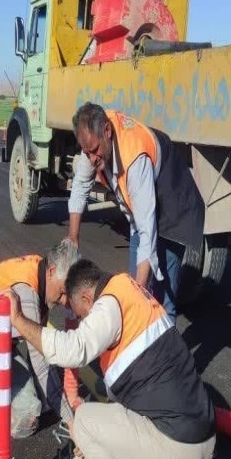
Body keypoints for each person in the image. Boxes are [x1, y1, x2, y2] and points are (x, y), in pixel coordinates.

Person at [3, 259, 215, 459]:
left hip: (181, 453)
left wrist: (17, 319)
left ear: (86, 298)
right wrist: (97, 436)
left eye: (82, 315)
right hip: (203, 441)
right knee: (95, 423)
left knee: (83, 421)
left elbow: (73, 349)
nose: (83, 322)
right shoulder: (127, 288)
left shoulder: (108, 305)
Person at [67, 102, 204, 325]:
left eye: (94, 151)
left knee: (159, 300)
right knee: (137, 289)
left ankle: (169, 355)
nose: (91, 159)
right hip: (142, 210)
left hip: (175, 208)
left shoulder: (134, 157)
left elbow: (147, 231)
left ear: (107, 132)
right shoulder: (92, 139)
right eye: (86, 152)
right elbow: (80, 186)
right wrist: (73, 236)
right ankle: (142, 344)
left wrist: (140, 289)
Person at [0, 239, 80, 442]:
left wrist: (47, 398)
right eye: (64, 291)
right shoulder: (26, 290)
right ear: (52, 270)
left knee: (30, 414)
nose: (65, 300)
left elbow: (37, 349)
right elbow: (40, 361)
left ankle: (0, 389)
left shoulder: (44, 275)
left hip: (3, 347)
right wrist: (71, 421)